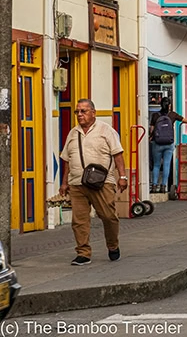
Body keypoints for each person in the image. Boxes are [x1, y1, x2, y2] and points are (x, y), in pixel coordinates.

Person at [59, 99, 128, 265]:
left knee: (108, 216)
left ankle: (113, 245)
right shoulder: (73, 133)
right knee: (79, 220)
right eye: (77, 112)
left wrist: (122, 177)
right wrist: (64, 182)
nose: (80, 115)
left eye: (83, 111)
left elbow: (117, 154)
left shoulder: (106, 130)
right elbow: (67, 159)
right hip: (77, 183)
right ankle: (83, 253)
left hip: (101, 182)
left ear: (93, 113)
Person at [148, 97, 187, 194]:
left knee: (156, 165)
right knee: (166, 164)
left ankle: (154, 186)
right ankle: (163, 186)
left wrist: (151, 137)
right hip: (169, 143)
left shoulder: (155, 115)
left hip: (157, 143)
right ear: (169, 105)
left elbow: (152, 129)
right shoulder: (173, 115)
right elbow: (184, 120)